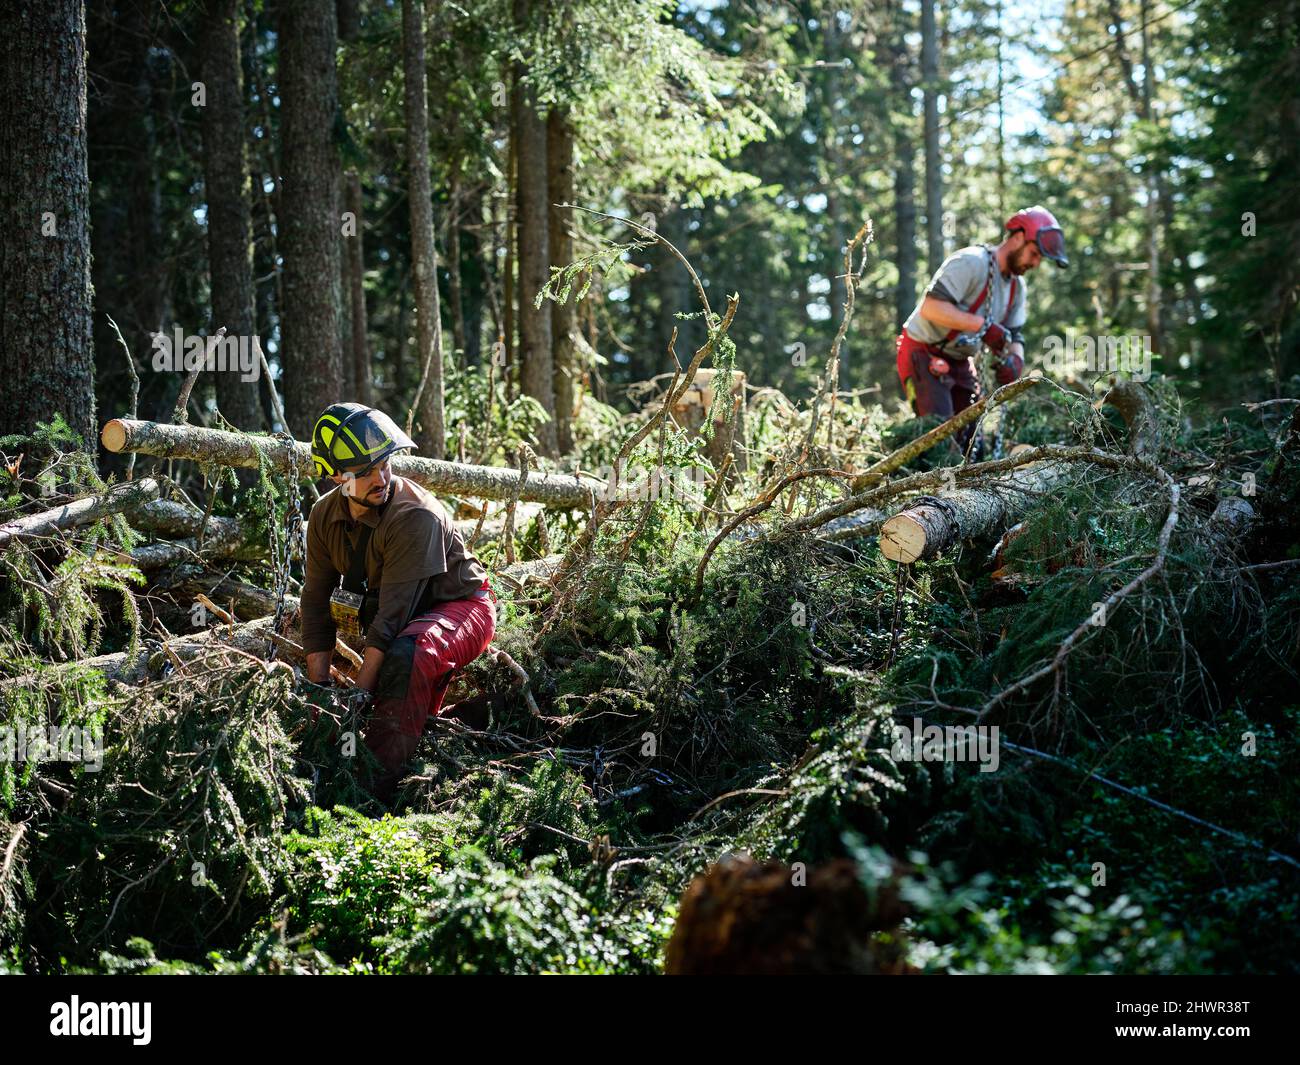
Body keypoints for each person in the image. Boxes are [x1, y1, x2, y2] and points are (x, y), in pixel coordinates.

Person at [300, 402, 496, 796]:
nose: (381, 477)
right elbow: (316, 600)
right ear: (337, 476)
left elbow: (391, 621)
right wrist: (317, 693)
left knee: (409, 655)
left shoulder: (414, 516)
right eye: (366, 471)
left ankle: (376, 786)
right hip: (403, 611)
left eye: (385, 464)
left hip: (462, 608)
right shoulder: (323, 516)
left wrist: (357, 700)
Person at [895, 205, 1068, 448]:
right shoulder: (971, 262)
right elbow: (931, 308)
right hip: (922, 351)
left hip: (961, 361)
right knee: (940, 442)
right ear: (1018, 237)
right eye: (1034, 253)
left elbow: (1015, 334)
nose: (1036, 263)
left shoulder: (1017, 288)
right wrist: (983, 327)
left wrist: (1015, 361)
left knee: (971, 446)